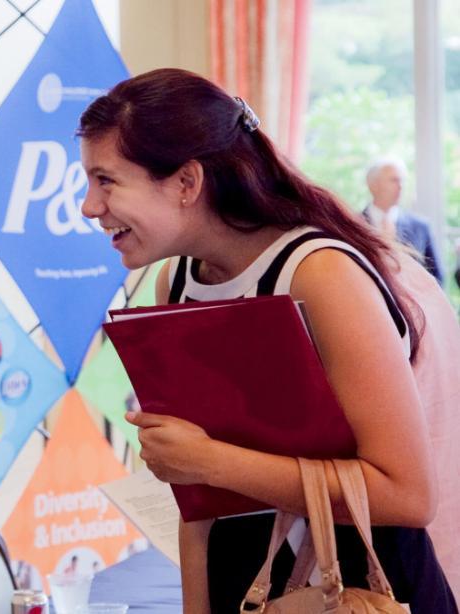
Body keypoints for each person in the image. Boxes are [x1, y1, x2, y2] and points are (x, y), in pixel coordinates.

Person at [77, 68, 457, 613]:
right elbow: (198, 507)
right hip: (250, 584)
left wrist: (208, 462)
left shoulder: (319, 275)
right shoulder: (177, 281)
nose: (89, 206)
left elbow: (407, 494)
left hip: (360, 591)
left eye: (106, 181)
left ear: (187, 182)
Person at [362, 156, 443, 284]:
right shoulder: (352, 224)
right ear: (373, 185)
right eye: (394, 180)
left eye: (402, 180)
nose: (401, 186)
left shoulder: (421, 227)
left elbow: (437, 277)